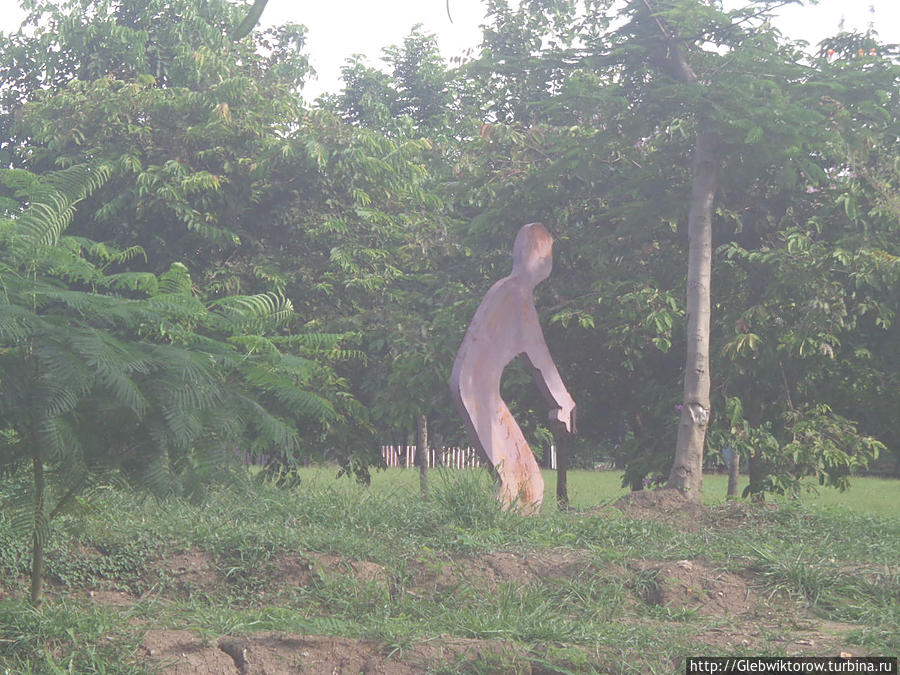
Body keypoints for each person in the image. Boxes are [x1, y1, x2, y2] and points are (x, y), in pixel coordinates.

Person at [450, 223, 576, 512]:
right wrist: (564, 403)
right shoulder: (518, 295)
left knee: (526, 483)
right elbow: (539, 358)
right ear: (541, 259)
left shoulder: (505, 289)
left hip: (477, 388)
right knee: (519, 482)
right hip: (475, 389)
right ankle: (491, 537)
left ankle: (504, 535)